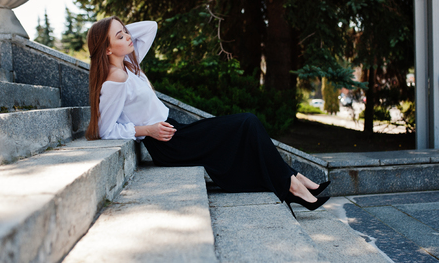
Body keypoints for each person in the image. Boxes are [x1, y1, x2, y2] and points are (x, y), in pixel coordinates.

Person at [85, 16, 330, 218]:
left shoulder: (129, 63)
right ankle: (292, 184)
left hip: (175, 130)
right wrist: (147, 130)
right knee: (247, 122)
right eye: (120, 36)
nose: (128, 37)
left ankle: (293, 178)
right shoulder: (115, 79)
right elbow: (105, 130)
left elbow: (150, 28)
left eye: (126, 32)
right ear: (106, 49)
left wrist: (115, 28)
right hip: (168, 143)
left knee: (246, 126)